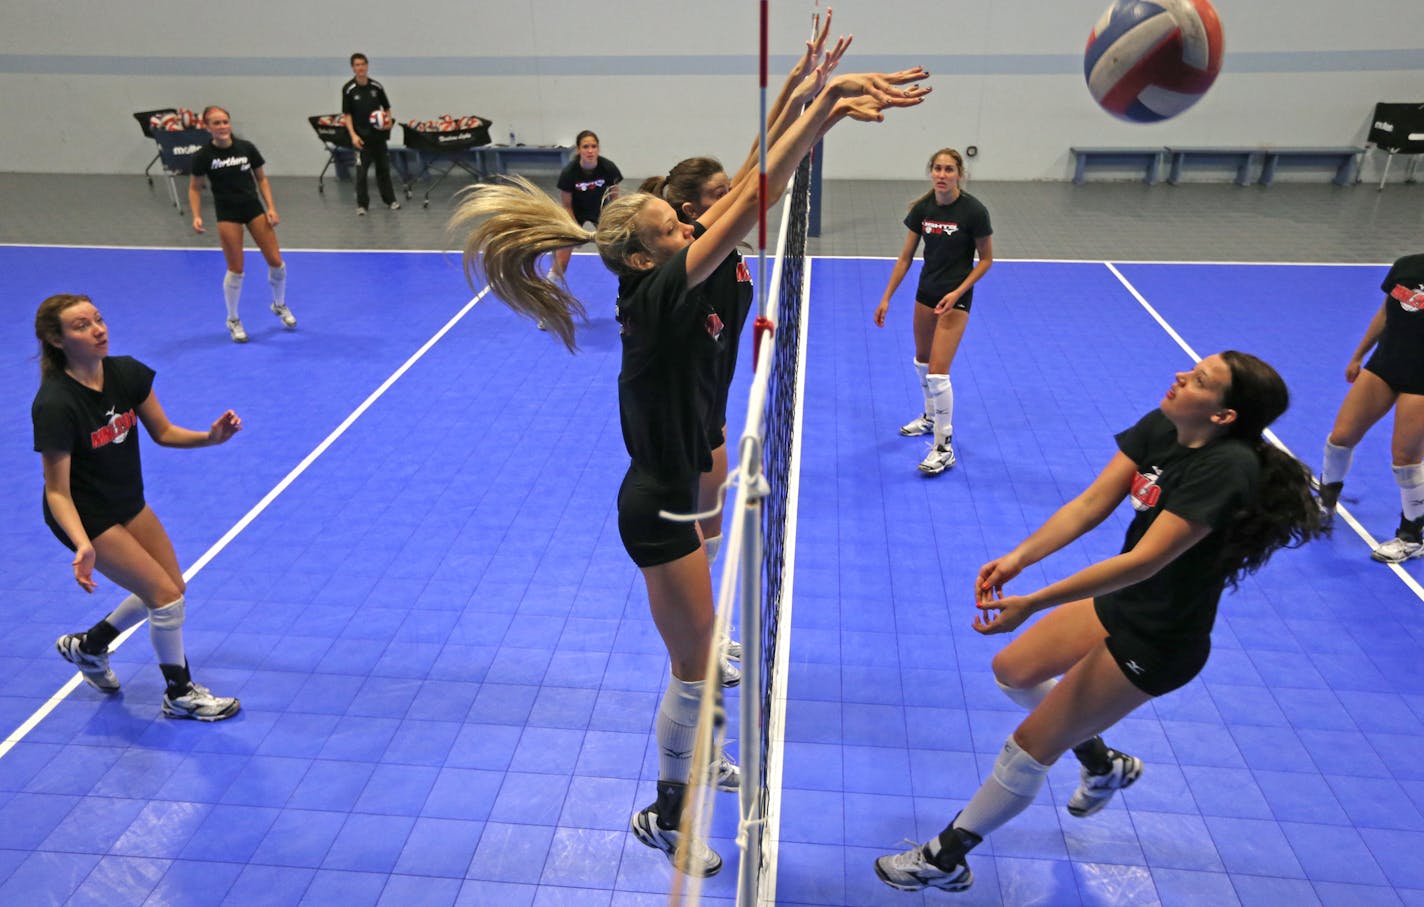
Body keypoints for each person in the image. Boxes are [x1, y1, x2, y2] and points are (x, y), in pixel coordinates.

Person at [452, 68, 930, 877]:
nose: (691, 224)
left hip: (673, 492)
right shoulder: (662, 292)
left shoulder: (669, 273)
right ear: (646, 252)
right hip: (658, 509)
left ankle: (691, 772)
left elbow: (745, 183)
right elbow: (752, 195)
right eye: (677, 224)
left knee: (703, 658)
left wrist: (809, 96)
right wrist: (826, 115)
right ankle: (664, 815)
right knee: (698, 663)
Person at [873, 351, 1325, 893]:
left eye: (1200, 380)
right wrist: (1020, 558)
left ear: (1224, 416)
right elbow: (1091, 503)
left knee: (1028, 747)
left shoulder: (1227, 469)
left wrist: (1033, 601)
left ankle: (946, 859)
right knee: (1013, 670)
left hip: (1160, 637)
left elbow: (1143, 561)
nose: (1181, 375)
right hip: (1124, 602)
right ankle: (1101, 761)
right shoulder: (1167, 422)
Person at [33, 294, 243, 721]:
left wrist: (210, 437)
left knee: (172, 589)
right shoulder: (56, 404)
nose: (98, 330)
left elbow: (163, 432)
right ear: (57, 340)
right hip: (85, 513)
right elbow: (56, 490)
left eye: (99, 319)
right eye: (82, 326)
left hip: (126, 499)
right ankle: (179, 694)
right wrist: (81, 544)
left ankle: (89, 647)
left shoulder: (126, 373)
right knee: (164, 599)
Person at [873, 148, 993, 476]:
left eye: (949, 169)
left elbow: (986, 260)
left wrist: (957, 292)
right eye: (937, 169)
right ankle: (929, 417)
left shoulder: (974, 211)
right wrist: (886, 298)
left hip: (955, 299)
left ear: (959, 174)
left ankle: (944, 446)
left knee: (939, 374)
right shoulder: (923, 209)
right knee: (922, 363)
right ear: (931, 172)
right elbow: (905, 258)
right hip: (925, 295)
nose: (942, 174)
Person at [1318, 252, 1424, 563]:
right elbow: (1386, 313)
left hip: (1422, 379)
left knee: (1405, 460)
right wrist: (1358, 355)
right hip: (1385, 366)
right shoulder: (1407, 266)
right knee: (1340, 438)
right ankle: (1324, 505)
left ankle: (1412, 537)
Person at [188, 105, 297, 344]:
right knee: (236, 270)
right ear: (208, 127)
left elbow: (262, 178)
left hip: (253, 209)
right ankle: (233, 319)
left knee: (276, 263)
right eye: (216, 123)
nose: (222, 127)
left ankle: (279, 305)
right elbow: (195, 187)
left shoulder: (246, 148)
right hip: (227, 214)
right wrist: (196, 215)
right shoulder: (204, 156)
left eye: (224, 122)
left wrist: (271, 207)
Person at [551, 130, 622, 282]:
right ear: (578, 149)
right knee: (563, 254)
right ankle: (551, 283)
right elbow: (566, 206)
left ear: (598, 148)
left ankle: (628, 284)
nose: (590, 150)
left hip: (601, 210)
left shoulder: (608, 168)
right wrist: (574, 230)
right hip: (576, 212)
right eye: (585, 147)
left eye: (593, 146)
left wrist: (613, 224)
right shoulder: (569, 173)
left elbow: (615, 200)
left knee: (617, 251)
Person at [342, 52, 401, 216]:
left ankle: (390, 200)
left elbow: (387, 108)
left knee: (383, 170)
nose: (360, 68)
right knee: (361, 174)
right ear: (353, 68)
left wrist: (387, 122)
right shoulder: (349, 89)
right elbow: (347, 115)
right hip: (361, 140)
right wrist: (353, 135)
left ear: (367, 66)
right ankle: (362, 205)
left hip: (378, 138)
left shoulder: (376, 87)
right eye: (357, 65)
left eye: (363, 64)